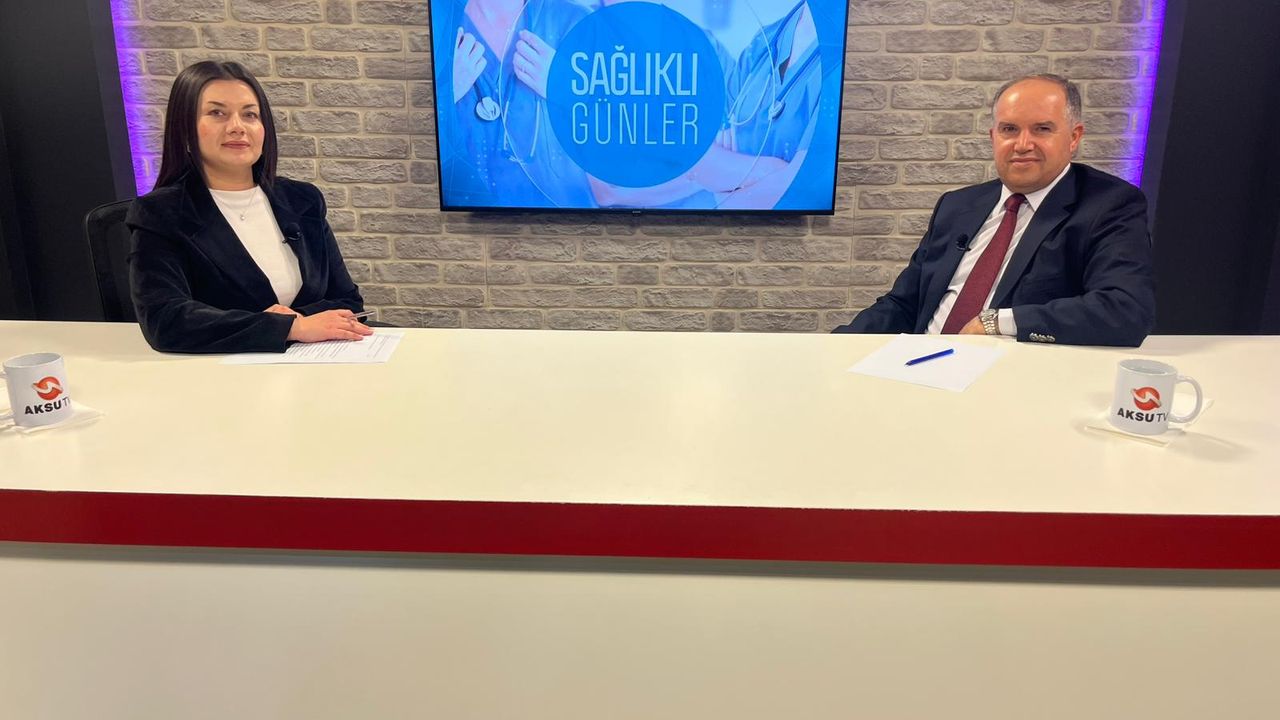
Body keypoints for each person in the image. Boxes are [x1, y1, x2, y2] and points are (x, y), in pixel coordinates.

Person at [833, 73, 1155, 347]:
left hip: (1006, 377)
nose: (1022, 144)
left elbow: (1126, 310)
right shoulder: (957, 205)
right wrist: (834, 348)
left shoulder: (1109, 205)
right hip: (917, 363)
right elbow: (903, 304)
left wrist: (996, 322)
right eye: (1009, 129)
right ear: (993, 136)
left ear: (1074, 137)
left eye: (1042, 129)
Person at [127, 61, 372, 353]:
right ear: (185, 128)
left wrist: (300, 323)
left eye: (250, 115)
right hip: (217, 371)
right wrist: (289, 328)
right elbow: (166, 321)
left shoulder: (302, 200)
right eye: (217, 113)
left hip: (313, 361)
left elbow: (348, 301)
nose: (237, 127)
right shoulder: (160, 213)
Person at [447, 0, 594, 208]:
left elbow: (625, 141)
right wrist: (445, 93)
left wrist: (570, 91)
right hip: (469, 221)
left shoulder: (578, 22)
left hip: (569, 220)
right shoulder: (442, 28)